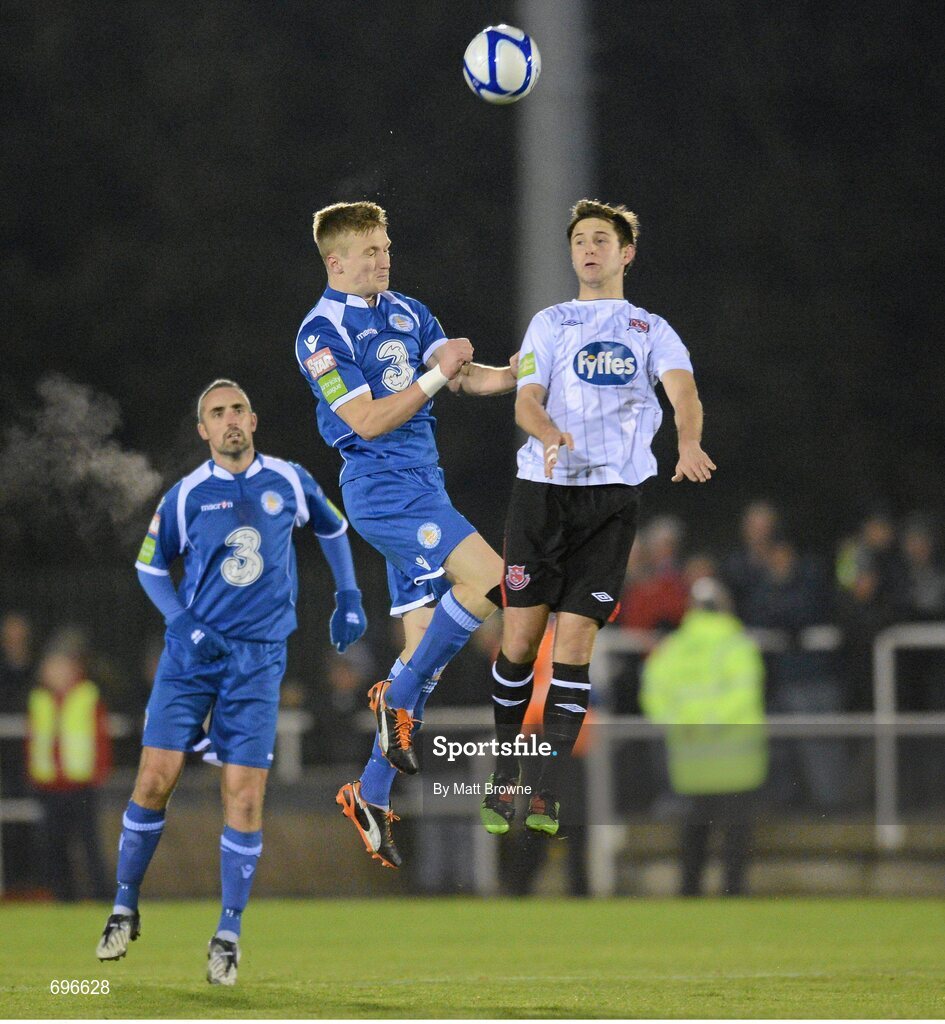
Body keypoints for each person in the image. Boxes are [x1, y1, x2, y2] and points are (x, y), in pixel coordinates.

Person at [94, 379, 367, 986]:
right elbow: (148, 566)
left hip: (258, 660)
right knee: (154, 779)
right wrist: (181, 621)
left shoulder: (290, 480)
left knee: (243, 795)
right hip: (191, 658)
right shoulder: (187, 495)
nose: (229, 420)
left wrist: (348, 592)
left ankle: (228, 933)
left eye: (238, 408)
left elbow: (332, 527)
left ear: (254, 418)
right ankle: (123, 905)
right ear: (203, 430)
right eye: (216, 413)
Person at [479, 198, 715, 838]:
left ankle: (547, 790)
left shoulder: (651, 329)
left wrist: (688, 443)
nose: (589, 248)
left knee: (575, 648)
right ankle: (506, 775)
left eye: (601, 239)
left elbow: (683, 392)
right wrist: (550, 431)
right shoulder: (550, 322)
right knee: (522, 642)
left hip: (612, 502)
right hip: (542, 494)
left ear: (626, 253)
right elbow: (526, 400)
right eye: (579, 239)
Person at [294, 201, 516, 869]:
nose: (382, 259)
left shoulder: (407, 310)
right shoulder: (318, 332)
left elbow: (465, 377)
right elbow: (364, 420)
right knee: (490, 579)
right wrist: (436, 371)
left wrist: (518, 376)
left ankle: (368, 793)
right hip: (384, 490)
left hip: (425, 484)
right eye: (368, 251)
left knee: (422, 665)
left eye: (386, 247)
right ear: (335, 262)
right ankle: (390, 700)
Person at [640, 577, 767, 896]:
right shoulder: (738, 644)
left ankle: (689, 893)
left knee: (694, 832)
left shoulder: (672, 648)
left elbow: (654, 698)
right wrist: (712, 723)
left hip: (691, 758)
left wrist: (685, 724)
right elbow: (745, 695)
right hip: (736, 758)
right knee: (735, 835)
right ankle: (733, 893)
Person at [26, 633, 112, 901]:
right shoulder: (39, 698)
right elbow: (34, 740)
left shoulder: (87, 695)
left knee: (89, 846)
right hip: (49, 786)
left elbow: (100, 738)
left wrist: (99, 773)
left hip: (81, 785)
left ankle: (102, 898)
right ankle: (64, 898)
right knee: (54, 847)